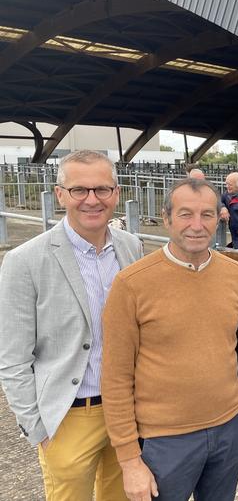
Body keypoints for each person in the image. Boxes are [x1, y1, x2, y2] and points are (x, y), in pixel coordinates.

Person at [0, 150, 142, 501]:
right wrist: (37, 428)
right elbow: (13, 357)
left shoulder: (131, 247)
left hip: (125, 412)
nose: (92, 200)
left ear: (117, 193)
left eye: (102, 189)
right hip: (67, 417)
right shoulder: (25, 261)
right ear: (60, 194)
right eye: (79, 190)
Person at [101, 178, 238, 501]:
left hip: (228, 429)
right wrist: (129, 460)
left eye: (207, 215)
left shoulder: (235, 275)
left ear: (219, 218)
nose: (197, 226)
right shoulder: (131, 284)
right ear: (167, 219)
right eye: (185, 215)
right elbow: (115, 377)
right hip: (164, 440)